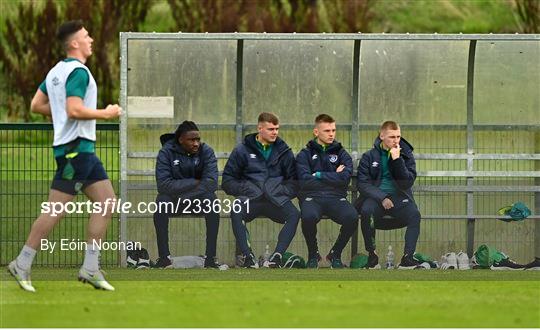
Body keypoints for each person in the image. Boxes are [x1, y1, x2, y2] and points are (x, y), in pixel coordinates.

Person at [8, 20, 122, 292]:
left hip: (81, 150)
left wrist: (60, 111)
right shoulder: (79, 72)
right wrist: (105, 113)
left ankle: (91, 267)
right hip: (75, 150)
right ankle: (22, 263)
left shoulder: (55, 72)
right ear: (74, 43)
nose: (91, 39)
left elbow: (37, 105)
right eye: (86, 36)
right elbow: (74, 109)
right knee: (56, 209)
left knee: (107, 202)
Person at [222, 112, 299, 268]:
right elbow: (228, 181)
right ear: (260, 128)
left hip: (275, 200)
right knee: (236, 211)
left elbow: (294, 182)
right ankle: (248, 257)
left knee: (294, 214)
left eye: (277, 129)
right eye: (271, 129)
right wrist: (247, 189)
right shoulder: (241, 151)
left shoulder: (284, 151)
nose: (275, 132)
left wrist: (280, 191)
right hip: (250, 199)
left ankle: (276, 257)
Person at [152, 121, 220, 269]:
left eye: (198, 139)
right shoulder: (166, 152)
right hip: (174, 201)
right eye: (192, 140)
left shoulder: (206, 151)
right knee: (162, 202)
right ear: (180, 140)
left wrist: (185, 195)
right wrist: (195, 181)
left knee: (212, 201)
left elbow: (211, 183)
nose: (196, 143)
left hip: (196, 200)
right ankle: (164, 258)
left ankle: (210, 258)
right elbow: (163, 185)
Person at [355, 121, 422, 269]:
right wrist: (382, 197)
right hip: (376, 198)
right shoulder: (369, 156)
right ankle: (372, 256)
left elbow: (406, 183)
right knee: (366, 211)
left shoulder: (406, 155)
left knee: (414, 214)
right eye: (392, 136)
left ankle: (407, 258)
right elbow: (363, 184)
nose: (396, 140)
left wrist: (397, 160)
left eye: (398, 136)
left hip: (399, 198)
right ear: (382, 136)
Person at [296, 114, 358, 269]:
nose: (331, 134)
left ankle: (335, 254)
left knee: (352, 216)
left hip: (336, 198)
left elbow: (345, 178)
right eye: (327, 131)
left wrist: (318, 175)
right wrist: (334, 176)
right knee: (308, 216)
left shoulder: (341, 154)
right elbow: (304, 180)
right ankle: (313, 254)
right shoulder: (305, 154)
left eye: (333, 130)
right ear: (316, 132)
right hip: (312, 197)